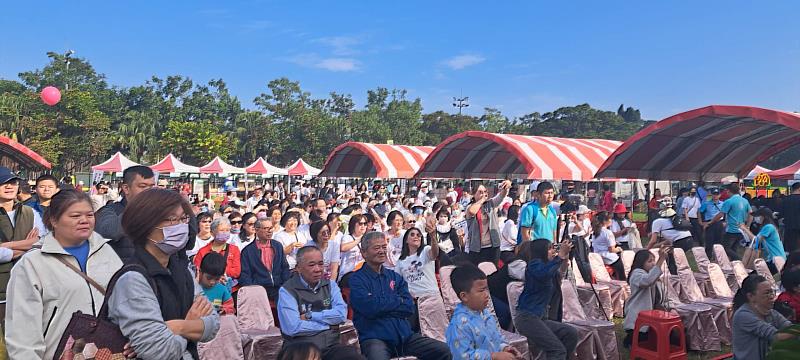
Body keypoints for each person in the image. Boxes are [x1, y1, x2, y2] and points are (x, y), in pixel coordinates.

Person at [5, 190, 126, 360]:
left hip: (106, 353)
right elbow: (22, 330)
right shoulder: (32, 264)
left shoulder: (106, 251)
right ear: (54, 220)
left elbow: (124, 301)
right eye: (75, 216)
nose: (84, 221)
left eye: (89, 215)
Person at [107, 188, 220, 360]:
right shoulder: (133, 279)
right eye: (172, 220)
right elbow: (160, 351)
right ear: (145, 225)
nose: (181, 226)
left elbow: (213, 324)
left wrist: (179, 327)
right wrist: (191, 323)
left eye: (183, 218)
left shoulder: (183, 271)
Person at [349, 232, 452, 360]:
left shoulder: (394, 277)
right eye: (376, 248)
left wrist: (382, 304)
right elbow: (369, 308)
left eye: (384, 247)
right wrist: (397, 301)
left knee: (443, 350)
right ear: (364, 253)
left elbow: (409, 307)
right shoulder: (357, 279)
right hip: (375, 338)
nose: (382, 251)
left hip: (404, 336)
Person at [277, 246, 364, 360]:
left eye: (321, 264)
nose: (318, 269)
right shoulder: (287, 290)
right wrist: (329, 325)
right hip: (302, 350)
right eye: (311, 265)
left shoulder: (330, 285)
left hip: (330, 347)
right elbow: (293, 327)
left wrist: (310, 316)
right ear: (298, 268)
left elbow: (341, 316)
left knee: (352, 356)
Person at [514, 239, 578, 360]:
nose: (553, 251)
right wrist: (559, 257)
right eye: (549, 248)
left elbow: (560, 274)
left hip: (540, 318)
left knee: (571, 333)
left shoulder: (548, 267)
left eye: (553, 247)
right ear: (541, 251)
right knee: (557, 350)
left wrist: (564, 256)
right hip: (527, 318)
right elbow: (544, 274)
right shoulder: (534, 265)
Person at [445, 265, 521, 360]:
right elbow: (462, 356)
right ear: (464, 296)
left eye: (486, 289)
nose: (486, 295)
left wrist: (505, 348)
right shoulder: (459, 325)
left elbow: (496, 338)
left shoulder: (485, 314)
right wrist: (493, 357)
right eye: (481, 290)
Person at [0, 167, 45, 320]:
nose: (9, 186)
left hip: (26, 288)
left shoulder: (29, 212)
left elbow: (43, 242)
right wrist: (28, 244)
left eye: (13, 182)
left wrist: (8, 245)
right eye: (3, 183)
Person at [95, 165, 156, 259]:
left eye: (152, 187)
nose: (148, 191)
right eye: (143, 186)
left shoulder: (159, 212)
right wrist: (137, 209)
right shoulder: (111, 210)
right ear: (126, 188)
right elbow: (109, 231)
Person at [732, 274, 793, 360]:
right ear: (751, 296)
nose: (772, 296)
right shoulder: (743, 315)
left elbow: (789, 327)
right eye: (767, 293)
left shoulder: (770, 312)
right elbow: (776, 336)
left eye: (772, 292)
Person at [622, 247, 671, 348]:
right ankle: (629, 340)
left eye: (654, 260)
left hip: (649, 317)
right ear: (641, 263)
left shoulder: (651, 275)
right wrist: (661, 259)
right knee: (641, 341)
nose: (653, 263)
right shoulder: (636, 273)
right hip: (636, 318)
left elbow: (659, 292)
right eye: (649, 261)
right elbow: (647, 281)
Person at [240, 217, 291, 303]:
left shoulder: (277, 246)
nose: (270, 231)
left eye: (271, 228)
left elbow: (285, 267)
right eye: (266, 228)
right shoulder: (248, 251)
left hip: (279, 287)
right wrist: (254, 289)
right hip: (259, 289)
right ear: (256, 230)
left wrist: (285, 285)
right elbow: (245, 275)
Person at [465, 180, 511, 265]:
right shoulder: (469, 207)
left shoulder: (491, 203)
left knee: (493, 272)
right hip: (477, 247)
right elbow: (472, 211)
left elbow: (501, 196)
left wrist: (506, 186)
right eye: (480, 192)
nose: (483, 194)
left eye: (485, 192)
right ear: (474, 194)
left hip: (492, 246)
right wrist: (481, 201)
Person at [193, 217, 242, 295]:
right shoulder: (203, 251)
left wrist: (218, 273)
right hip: (208, 290)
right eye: (222, 230)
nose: (225, 233)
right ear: (212, 233)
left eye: (227, 230)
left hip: (230, 290)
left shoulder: (234, 249)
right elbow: (197, 272)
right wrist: (216, 276)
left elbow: (237, 271)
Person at [395, 221, 440, 300]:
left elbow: (435, 253)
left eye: (418, 235)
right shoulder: (400, 261)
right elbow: (397, 281)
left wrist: (433, 236)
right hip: (413, 299)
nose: (416, 237)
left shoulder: (426, 250)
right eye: (412, 235)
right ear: (406, 240)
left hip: (431, 296)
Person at [710, 184, 752, 261]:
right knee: (734, 249)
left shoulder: (729, 201)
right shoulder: (745, 201)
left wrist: (711, 222)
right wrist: (747, 226)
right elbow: (751, 214)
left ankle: (741, 261)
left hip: (731, 229)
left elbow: (721, 214)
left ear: (728, 191)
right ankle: (735, 266)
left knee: (725, 248)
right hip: (741, 230)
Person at [740, 207, 786, 274]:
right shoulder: (769, 226)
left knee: (755, 275)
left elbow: (756, 240)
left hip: (776, 260)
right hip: (774, 259)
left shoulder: (768, 227)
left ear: (764, 217)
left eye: (758, 216)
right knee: (758, 275)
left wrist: (745, 229)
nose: (756, 218)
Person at [591, 212, 626, 281]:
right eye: (610, 219)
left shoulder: (595, 232)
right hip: (609, 258)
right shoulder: (608, 232)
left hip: (598, 256)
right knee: (622, 272)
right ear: (605, 221)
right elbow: (611, 249)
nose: (611, 221)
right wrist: (619, 249)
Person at [338, 214, 368, 285]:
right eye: (360, 224)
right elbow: (343, 248)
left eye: (365, 223)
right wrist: (359, 240)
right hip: (348, 273)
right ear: (353, 225)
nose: (363, 226)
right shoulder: (347, 237)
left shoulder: (368, 238)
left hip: (362, 272)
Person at [699, 188, 724, 259]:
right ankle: (708, 258)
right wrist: (700, 222)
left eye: (717, 194)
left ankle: (718, 258)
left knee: (719, 241)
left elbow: (726, 213)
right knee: (709, 242)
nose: (715, 196)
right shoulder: (706, 203)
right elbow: (699, 211)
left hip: (719, 223)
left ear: (719, 195)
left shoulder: (723, 204)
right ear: (712, 195)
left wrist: (725, 221)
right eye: (714, 194)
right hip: (709, 223)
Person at [780, 182, 800, 254]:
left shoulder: (785, 200)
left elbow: (781, 213)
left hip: (789, 227)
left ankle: (790, 263)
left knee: (790, 249)